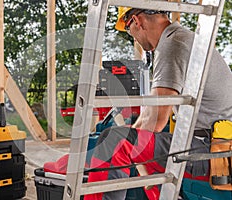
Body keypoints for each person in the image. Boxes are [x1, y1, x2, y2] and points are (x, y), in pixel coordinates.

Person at [84, 6, 232, 200]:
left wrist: (116, 141)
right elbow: (152, 117)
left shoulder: (172, 45)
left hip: (211, 152)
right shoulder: (183, 38)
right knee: (139, 146)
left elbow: (155, 121)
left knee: (115, 141)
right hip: (216, 146)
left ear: (136, 21)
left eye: (128, 30)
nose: (133, 37)